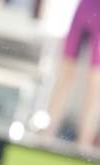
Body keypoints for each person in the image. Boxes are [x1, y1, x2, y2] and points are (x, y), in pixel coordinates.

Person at [43, 0, 100, 148]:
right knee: (65, 75)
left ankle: (84, 144)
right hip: (83, 10)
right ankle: (47, 134)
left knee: (94, 84)